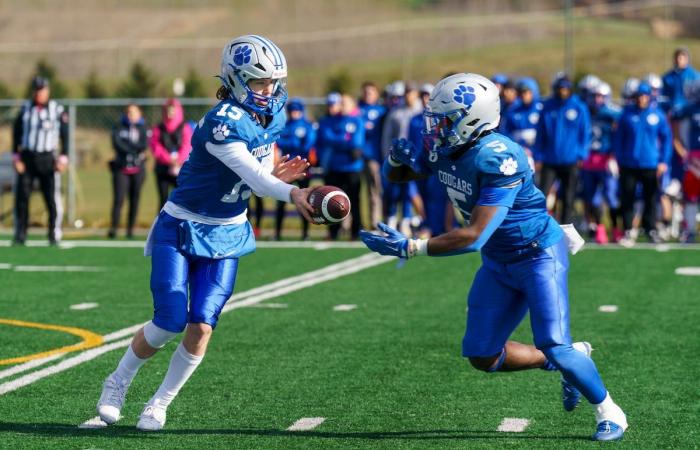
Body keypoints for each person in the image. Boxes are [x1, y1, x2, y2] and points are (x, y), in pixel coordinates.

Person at [360, 73, 628, 441]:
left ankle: (608, 410)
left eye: (445, 118)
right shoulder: (447, 143)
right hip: (499, 260)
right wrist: (394, 159)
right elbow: (400, 175)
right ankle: (558, 361)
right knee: (482, 355)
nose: (435, 125)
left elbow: (473, 236)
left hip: (537, 256)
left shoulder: (498, 156)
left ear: (472, 120)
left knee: (554, 341)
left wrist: (412, 246)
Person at [95, 34, 313, 431]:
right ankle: (117, 383)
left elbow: (260, 164)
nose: (268, 91)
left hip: (228, 232)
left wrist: (272, 174)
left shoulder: (274, 113)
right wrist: (292, 191)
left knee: (202, 324)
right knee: (169, 319)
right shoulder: (220, 122)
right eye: (259, 82)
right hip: (182, 225)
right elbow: (253, 178)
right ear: (234, 79)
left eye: (272, 82)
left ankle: (159, 403)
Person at [614, 82, 672, 246]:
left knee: (651, 198)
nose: (641, 99)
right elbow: (618, 139)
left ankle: (650, 229)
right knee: (627, 198)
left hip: (650, 164)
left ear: (650, 97)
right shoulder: (626, 115)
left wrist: (663, 161)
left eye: (644, 96)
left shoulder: (657, 115)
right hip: (628, 164)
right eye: (639, 96)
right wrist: (619, 159)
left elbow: (666, 139)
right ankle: (628, 230)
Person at [12, 76, 68, 245]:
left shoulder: (57, 110)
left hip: (48, 159)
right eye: (37, 90)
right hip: (28, 158)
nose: (39, 93)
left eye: (42, 90)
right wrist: (16, 157)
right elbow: (16, 135)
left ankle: (53, 233)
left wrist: (63, 159)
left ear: (48, 91)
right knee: (22, 197)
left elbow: (65, 135)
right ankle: (20, 233)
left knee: (51, 198)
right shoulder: (25, 109)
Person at [534, 73, 591, 224]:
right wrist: (538, 156)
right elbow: (540, 134)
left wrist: (581, 154)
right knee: (542, 195)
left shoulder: (579, 107)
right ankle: (540, 226)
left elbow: (585, 133)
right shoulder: (548, 107)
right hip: (549, 160)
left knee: (568, 196)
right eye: (560, 88)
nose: (563, 91)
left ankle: (566, 227)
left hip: (571, 160)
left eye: (566, 88)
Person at [316, 92, 365, 239]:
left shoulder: (357, 121)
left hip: (352, 168)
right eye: (339, 103)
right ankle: (332, 232)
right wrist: (344, 140)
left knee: (354, 201)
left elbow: (356, 143)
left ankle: (355, 232)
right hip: (333, 167)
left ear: (351, 105)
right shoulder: (328, 121)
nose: (340, 106)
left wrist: (338, 141)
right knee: (331, 201)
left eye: (344, 103)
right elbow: (325, 137)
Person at [580, 81, 623, 244]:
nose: (597, 99)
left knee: (611, 196)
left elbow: (619, 135)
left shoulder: (613, 114)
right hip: (589, 158)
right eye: (594, 96)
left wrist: (614, 156)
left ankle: (616, 228)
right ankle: (599, 228)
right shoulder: (585, 112)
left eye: (601, 96)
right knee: (592, 198)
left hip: (606, 158)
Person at [274, 98, 316, 240]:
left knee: (304, 200)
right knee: (280, 201)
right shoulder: (284, 125)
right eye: (292, 110)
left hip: (303, 167)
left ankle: (305, 233)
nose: (294, 113)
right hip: (286, 167)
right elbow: (278, 142)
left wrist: (291, 142)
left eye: (297, 111)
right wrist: (294, 142)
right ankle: (277, 233)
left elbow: (307, 145)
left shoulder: (307, 125)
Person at [108, 103, 149, 239]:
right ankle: (114, 228)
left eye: (134, 112)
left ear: (139, 114)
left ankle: (130, 229)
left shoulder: (143, 128)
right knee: (119, 199)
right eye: (129, 112)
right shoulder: (119, 126)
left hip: (138, 169)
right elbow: (117, 143)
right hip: (121, 168)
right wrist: (133, 149)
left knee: (135, 199)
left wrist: (132, 147)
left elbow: (144, 145)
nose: (131, 115)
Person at [150, 98, 193, 210]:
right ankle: (162, 225)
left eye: (173, 111)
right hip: (162, 169)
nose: (170, 114)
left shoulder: (185, 127)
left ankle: (180, 226)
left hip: (180, 168)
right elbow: (155, 145)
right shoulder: (158, 128)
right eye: (168, 111)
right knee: (163, 199)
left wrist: (179, 159)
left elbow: (187, 144)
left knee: (181, 200)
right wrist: (168, 159)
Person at [359, 81, 387, 227]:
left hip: (373, 156)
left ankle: (375, 223)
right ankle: (348, 225)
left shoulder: (381, 111)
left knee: (374, 191)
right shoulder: (357, 109)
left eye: (370, 92)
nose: (367, 94)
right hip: (356, 157)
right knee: (353, 192)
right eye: (365, 91)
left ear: (376, 93)